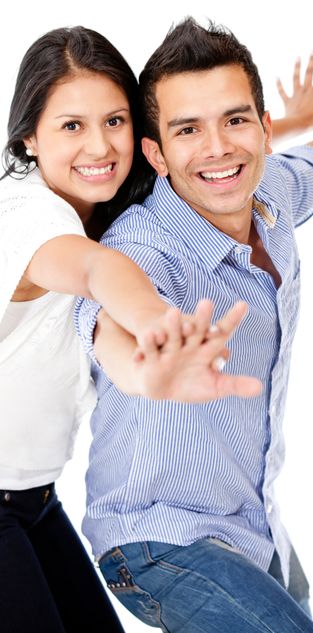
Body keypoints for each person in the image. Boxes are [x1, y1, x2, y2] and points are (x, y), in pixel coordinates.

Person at [74, 19, 313, 633]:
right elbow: (113, 314)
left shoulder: (271, 192)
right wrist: (152, 356)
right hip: (157, 541)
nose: (219, 147)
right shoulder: (142, 246)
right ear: (156, 154)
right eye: (188, 129)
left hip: (253, 527)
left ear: (266, 128)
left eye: (235, 119)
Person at [0, 24, 278, 633]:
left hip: (35, 500)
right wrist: (160, 322)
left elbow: (112, 347)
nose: (99, 146)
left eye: (115, 121)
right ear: (28, 139)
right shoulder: (25, 216)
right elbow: (97, 272)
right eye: (71, 126)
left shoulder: (112, 208)